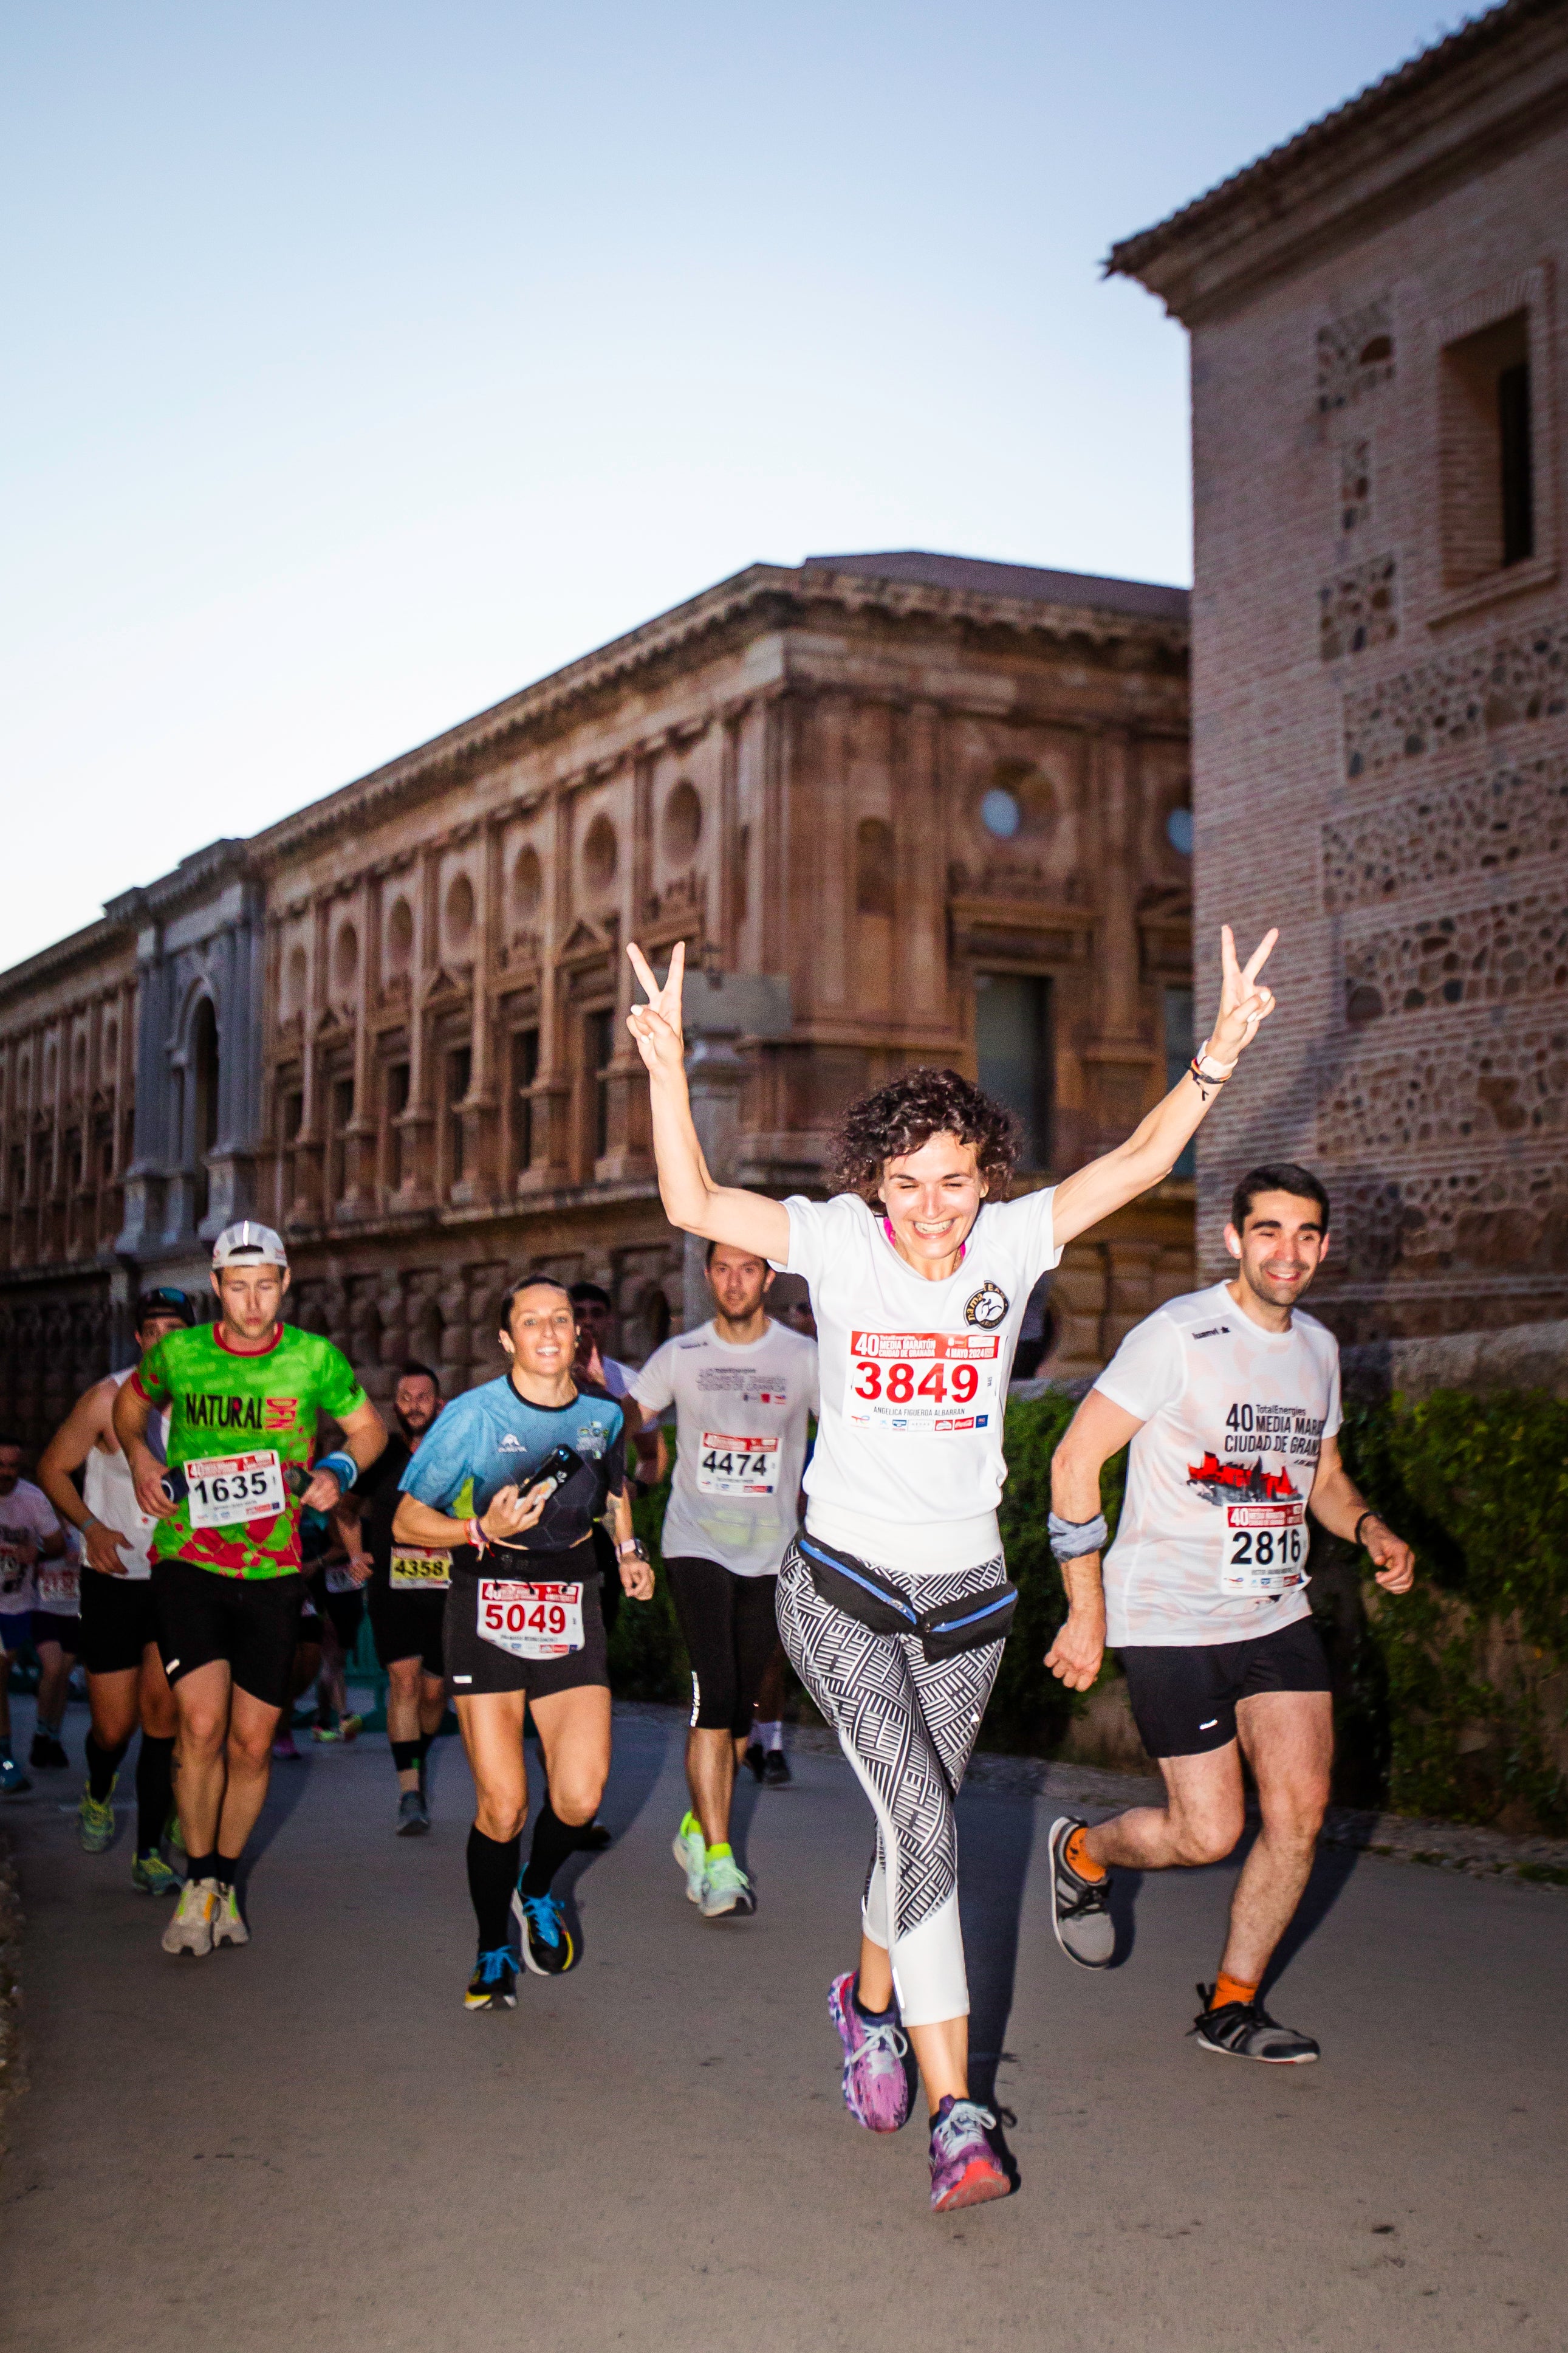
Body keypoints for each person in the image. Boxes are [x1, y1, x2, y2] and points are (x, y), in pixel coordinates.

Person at [625, 925, 1278, 2214]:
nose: (935, 1206)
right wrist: (658, 1064)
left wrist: (1217, 1053)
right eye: (911, 1181)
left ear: (989, 1180)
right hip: (845, 1587)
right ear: (876, 1179)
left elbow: (1144, 1161)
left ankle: (865, 1998)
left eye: (958, 1180)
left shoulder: (1015, 1242)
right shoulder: (835, 1241)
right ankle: (960, 2114)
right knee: (926, 1822)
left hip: (969, 1599)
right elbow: (697, 1204)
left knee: (902, 1828)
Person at [1043, 1163, 1416, 2063]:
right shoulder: (1177, 1335)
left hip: (1274, 1611)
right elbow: (1072, 1462)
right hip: (1170, 1617)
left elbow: (1319, 1480)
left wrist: (1367, 1526)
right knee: (1207, 1832)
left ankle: (1233, 2005)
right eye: (1268, 1231)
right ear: (1233, 1239)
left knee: (1300, 1810)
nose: (1286, 1253)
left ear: (1322, 1247)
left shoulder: (1317, 1352)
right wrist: (1085, 1612)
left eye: (1304, 1235)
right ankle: (1085, 1853)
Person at [113, 1222, 386, 1957]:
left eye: (266, 1284)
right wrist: (141, 1459)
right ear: (217, 1287)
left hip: (271, 1571)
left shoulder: (312, 1358)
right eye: (239, 1286)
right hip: (189, 1560)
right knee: (200, 1726)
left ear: (285, 1281)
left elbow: (369, 1429)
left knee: (253, 1744)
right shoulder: (180, 1352)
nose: (253, 1300)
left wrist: (339, 1470)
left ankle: (225, 1879)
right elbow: (129, 1407)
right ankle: (198, 1878)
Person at [392, 1276, 654, 2008]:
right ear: (507, 1339)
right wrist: (480, 1529)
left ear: (578, 1335)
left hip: (571, 1595)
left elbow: (611, 1488)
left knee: (579, 1795)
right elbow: (407, 1521)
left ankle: (536, 1887)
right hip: (487, 1593)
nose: (548, 1332)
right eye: (531, 1321)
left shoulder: (604, 1414)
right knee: (502, 1805)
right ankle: (490, 1946)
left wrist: (629, 1550)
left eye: (561, 1320)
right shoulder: (473, 1417)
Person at [629, 1238, 818, 1919]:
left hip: (772, 1552)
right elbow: (630, 1416)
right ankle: (716, 1862)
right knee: (714, 1693)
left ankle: (695, 1824)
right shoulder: (683, 1356)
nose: (734, 1280)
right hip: (696, 1544)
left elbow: (854, 1433)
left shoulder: (802, 1358)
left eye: (748, 1268)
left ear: (767, 1276)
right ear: (708, 1276)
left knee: (743, 1703)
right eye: (722, 1268)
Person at [37, 1286, 195, 1887]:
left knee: (163, 1718)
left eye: (174, 1330)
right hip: (113, 1579)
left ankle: (149, 1851)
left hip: (177, 1579)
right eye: (153, 1330)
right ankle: (98, 1788)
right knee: (113, 1726)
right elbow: (52, 1466)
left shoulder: (208, 1404)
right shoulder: (108, 1397)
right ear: (140, 1339)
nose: (163, 1341)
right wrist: (91, 1526)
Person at [341, 1361, 449, 1834]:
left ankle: (414, 1761)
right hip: (393, 1585)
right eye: (405, 1398)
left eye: (422, 1397)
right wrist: (355, 1555)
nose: (413, 1406)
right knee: (404, 1683)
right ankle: (409, 1793)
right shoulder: (380, 1454)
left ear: (438, 1403)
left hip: (447, 1589)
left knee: (434, 1691)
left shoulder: (454, 1450)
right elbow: (346, 1510)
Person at [0, 1439, 66, 1798]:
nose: (6, 1472)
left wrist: (35, 1552)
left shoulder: (32, 1498)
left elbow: (56, 1544)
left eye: (13, 1465)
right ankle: (6, 1761)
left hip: (15, 1603)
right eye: (1, 1464)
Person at [28, 1523, 81, 1770]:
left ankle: (54, 1737)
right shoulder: (41, 1525)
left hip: (73, 1611)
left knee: (63, 1674)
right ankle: (40, 1733)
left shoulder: (84, 1525)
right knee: (53, 1667)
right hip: (44, 1607)